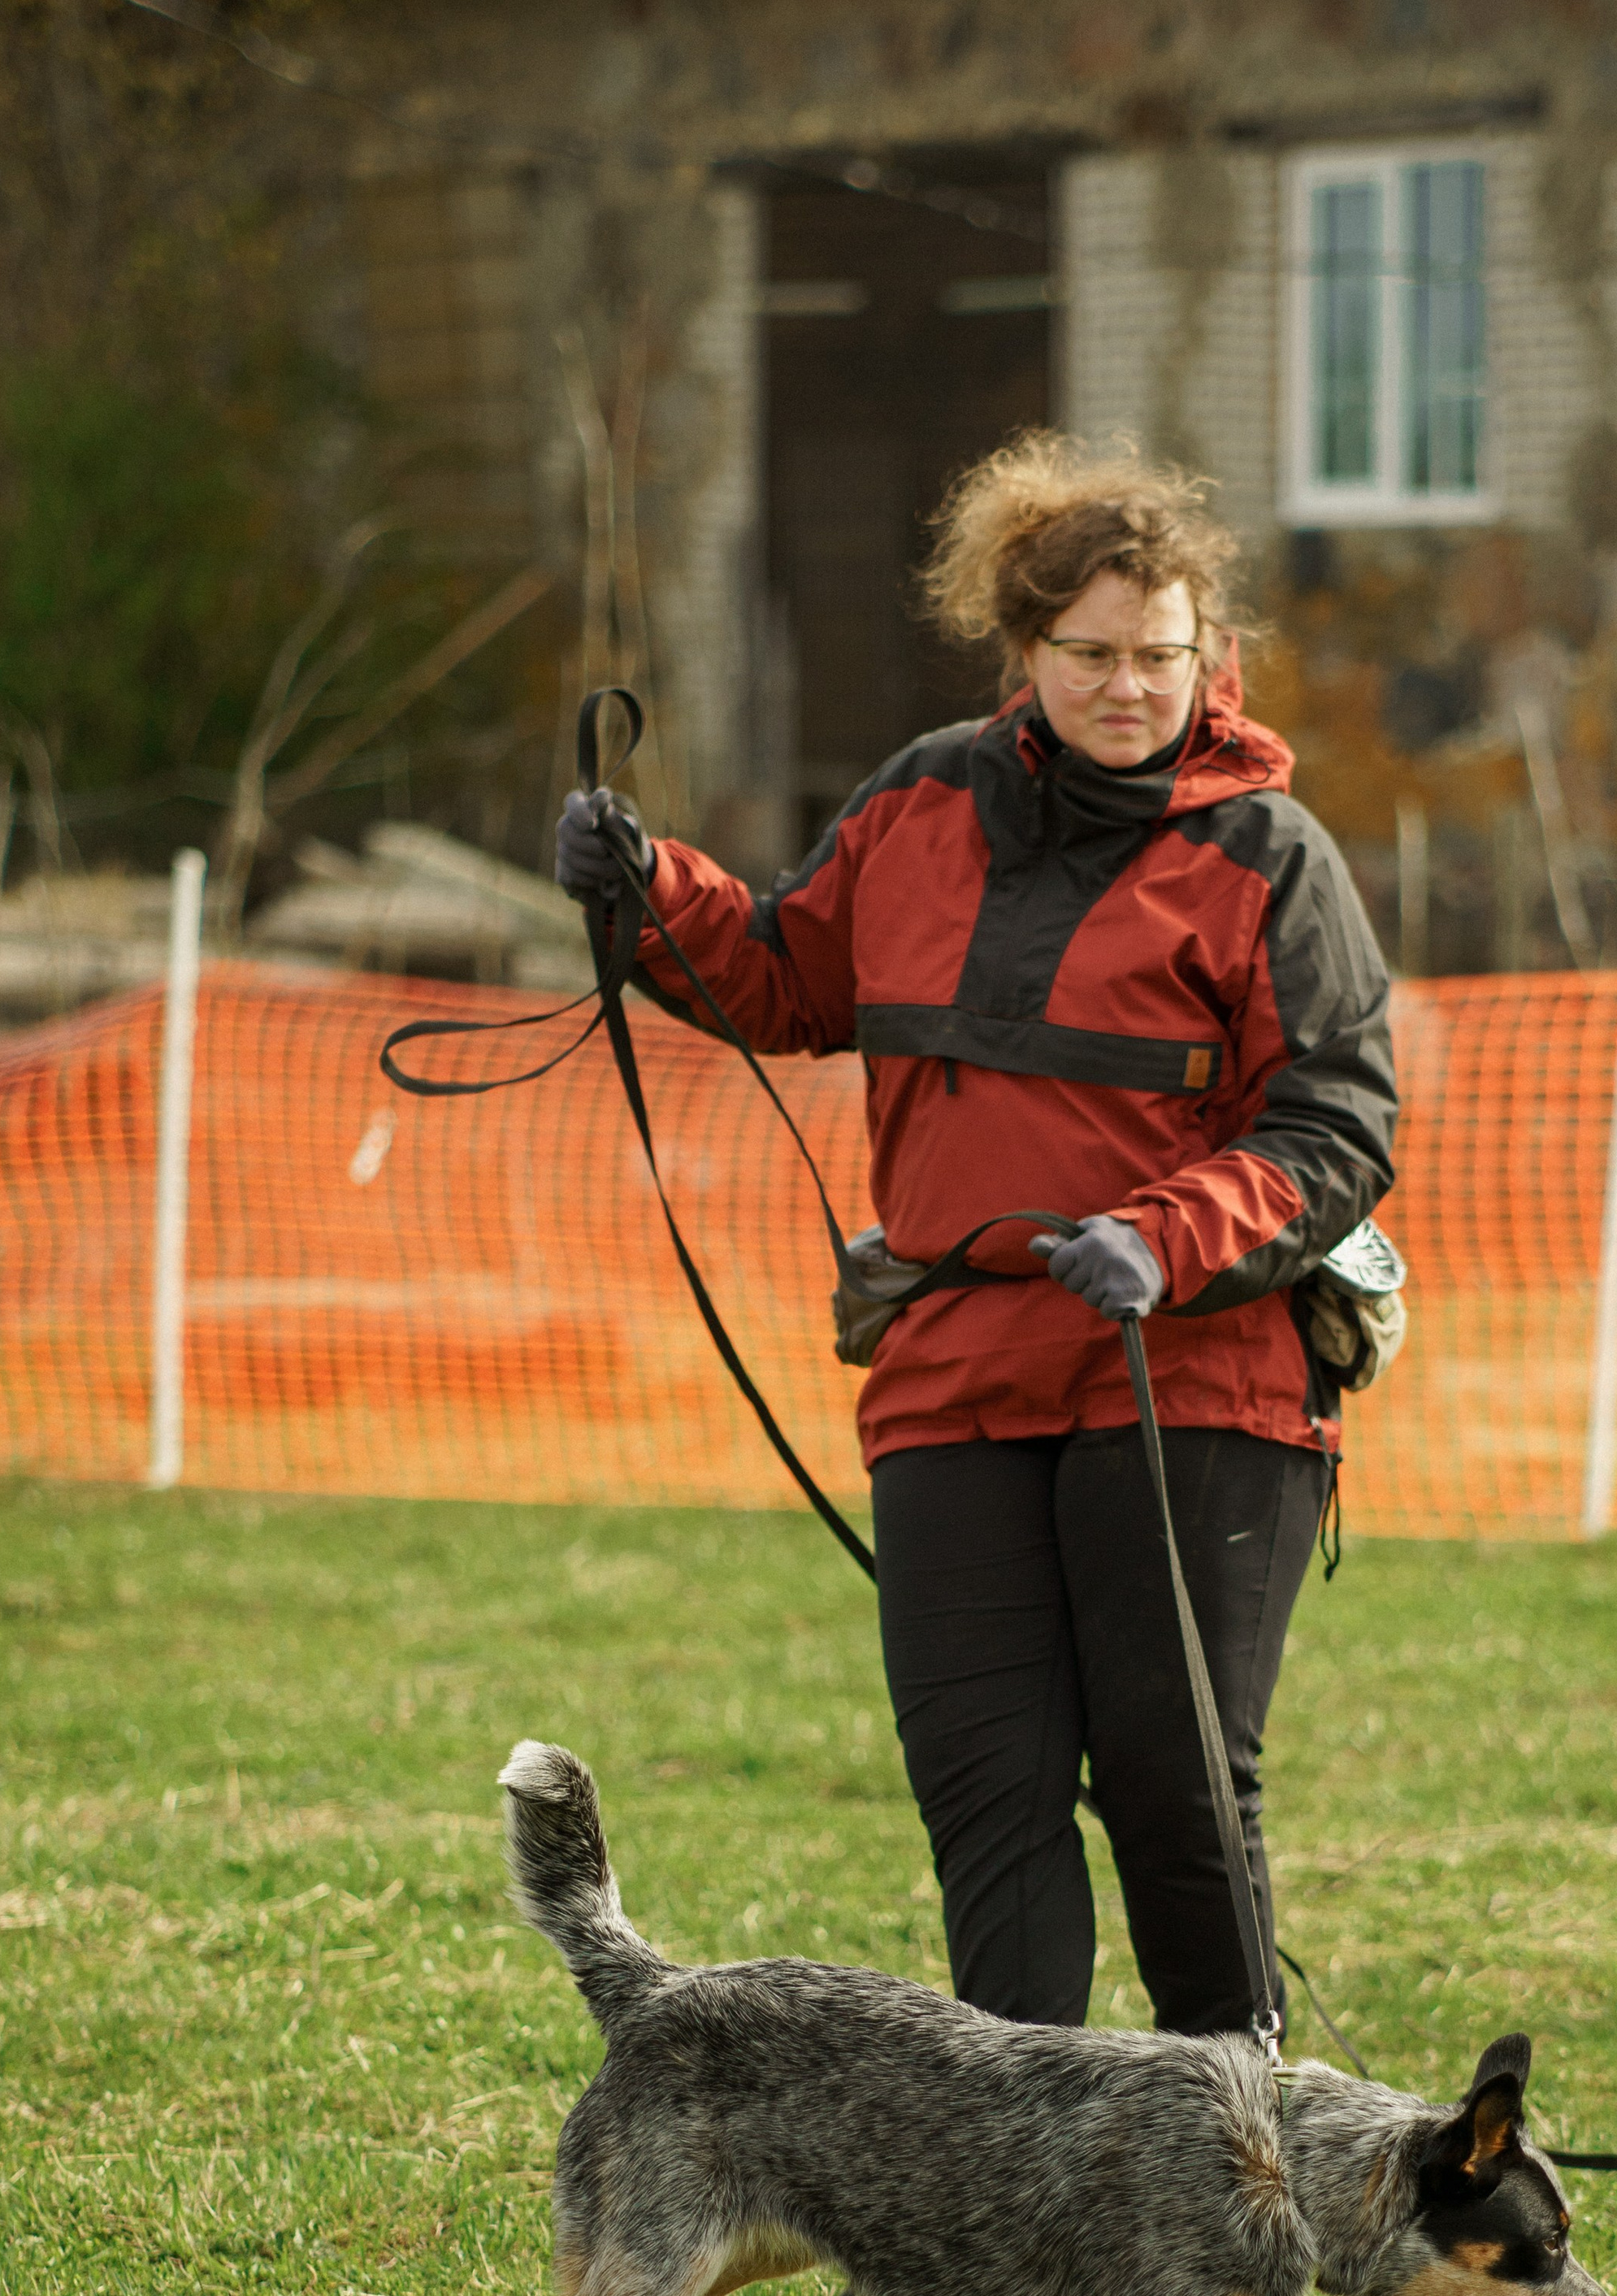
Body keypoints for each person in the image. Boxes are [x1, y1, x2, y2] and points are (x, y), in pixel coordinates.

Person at [556, 435, 1397, 2042]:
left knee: (1171, 1784)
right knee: (987, 1788)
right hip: (951, 1372)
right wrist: (642, 883)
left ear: (1206, 651)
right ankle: (1011, 2188)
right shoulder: (920, 803)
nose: (1131, 687)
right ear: (1020, 651)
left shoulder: (1271, 859)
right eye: (1089, 654)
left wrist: (1159, 1240)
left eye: (1162, 655)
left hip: (1191, 1371)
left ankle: (1235, 2156)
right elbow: (787, 978)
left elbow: (1336, 1123)